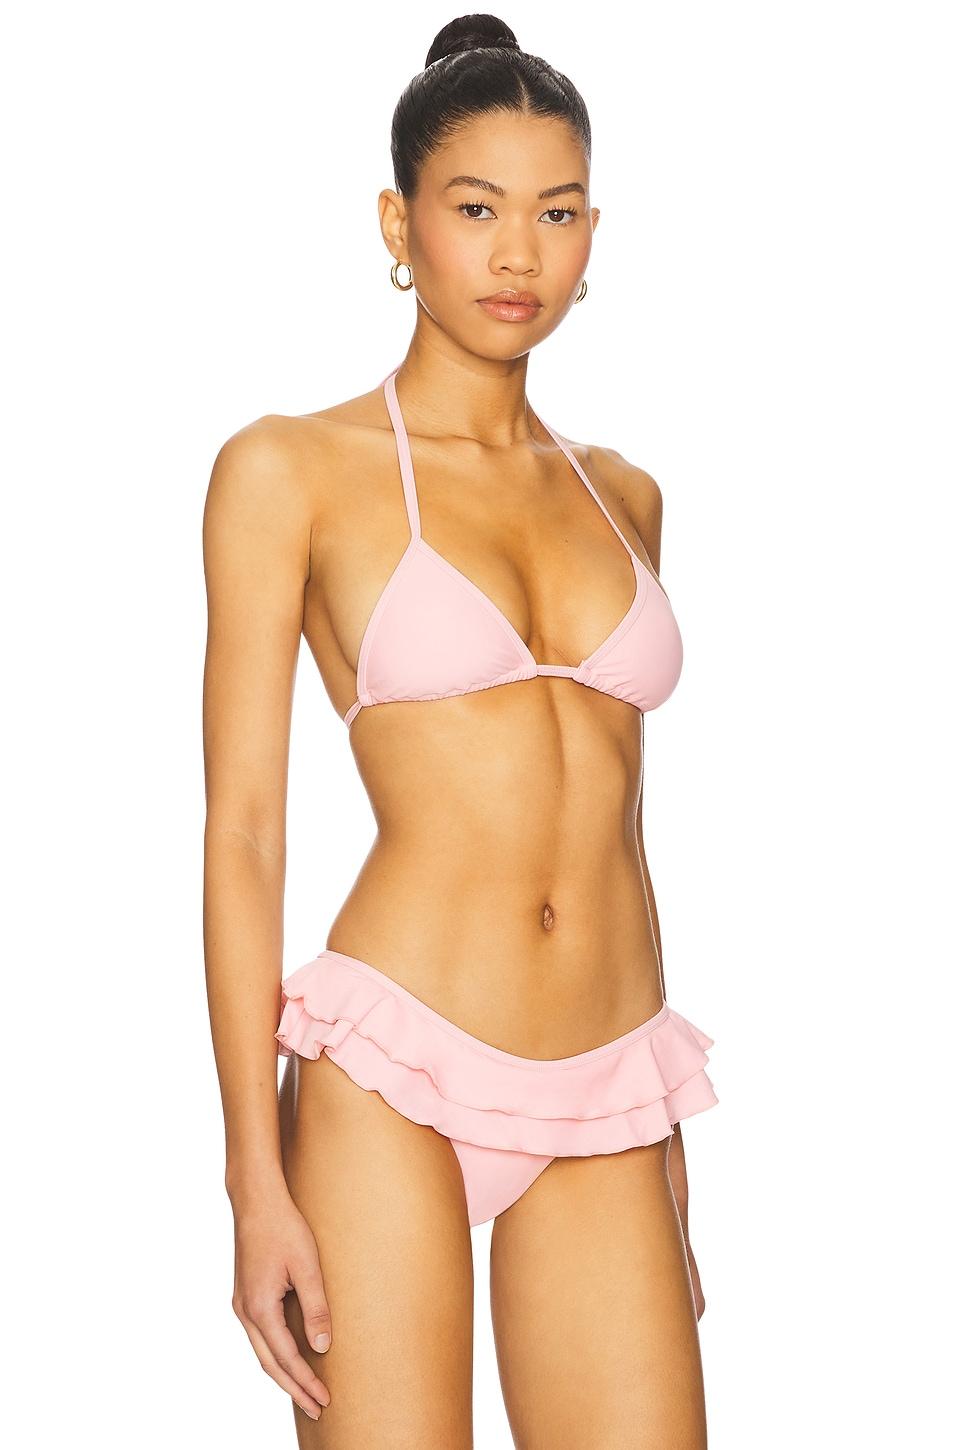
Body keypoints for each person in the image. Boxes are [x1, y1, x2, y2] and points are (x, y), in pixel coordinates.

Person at [202, 13, 719, 1446]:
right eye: (477, 209)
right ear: (400, 223)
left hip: (605, 1076)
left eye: (556, 213)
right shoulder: (291, 470)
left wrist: (665, 1141)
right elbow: (245, 834)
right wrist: (252, 1179)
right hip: (393, 1066)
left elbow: (623, 826)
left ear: (593, 234)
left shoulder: (624, 492)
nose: (517, 254)